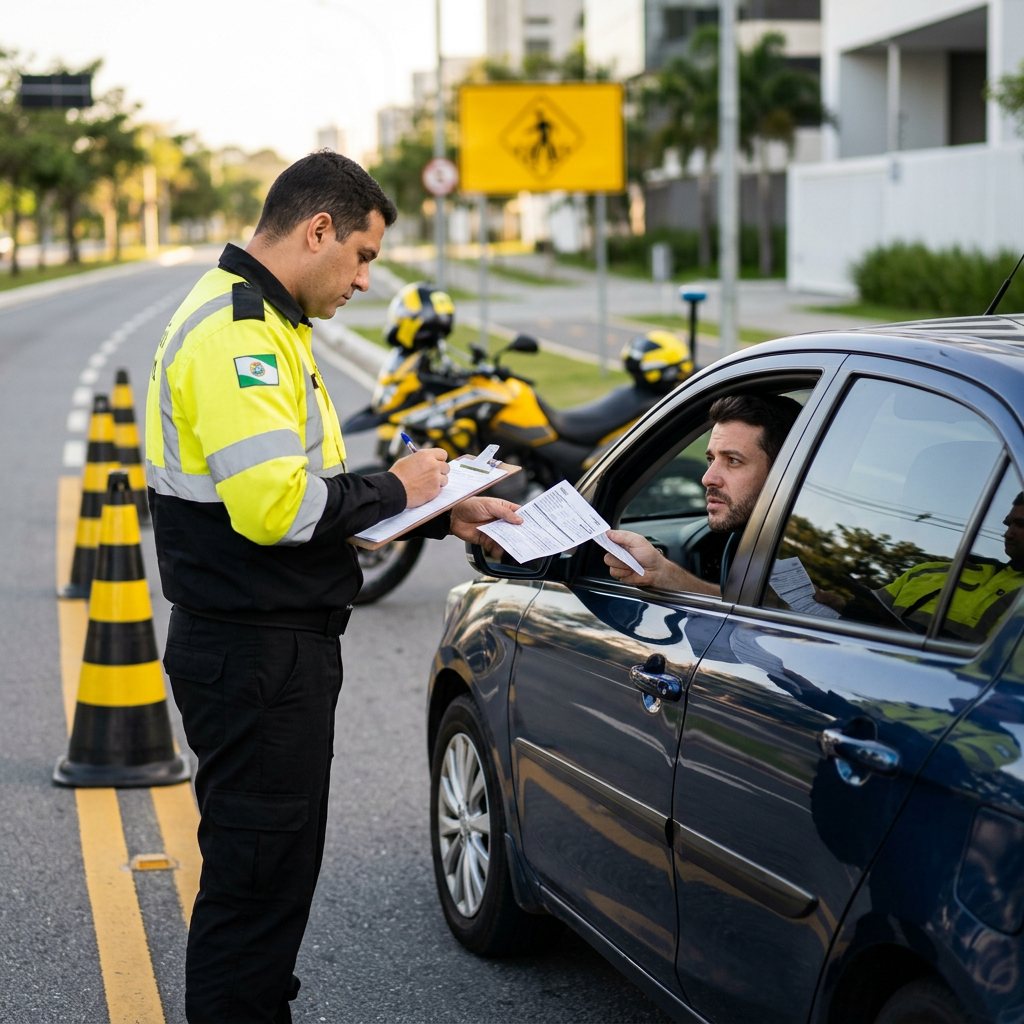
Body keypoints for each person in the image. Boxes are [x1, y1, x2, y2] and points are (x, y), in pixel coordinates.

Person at [145, 151, 521, 1024]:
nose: (363, 281)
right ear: (318, 230)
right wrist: (404, 487)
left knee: (270, 877)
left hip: (262, 648)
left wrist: (440, 515)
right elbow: (277, 507)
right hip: (253, 654)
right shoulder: (242, 333)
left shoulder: (269, 322)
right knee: (256, 885)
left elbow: (306, 497)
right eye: (362, 257)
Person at [603, 394, 802, 594]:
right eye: (710, 459)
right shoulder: (755, 539)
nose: (707, 478)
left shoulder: (811, 550)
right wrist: (662, 574)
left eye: (733, 460)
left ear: (782, 471)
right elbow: (759, 609)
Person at [811, 493, 1024, 642]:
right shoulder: (930, 571)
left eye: (1021, 525)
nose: (1008, 533)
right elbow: (871, 616)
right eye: (1008, 524)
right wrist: (839, 605)